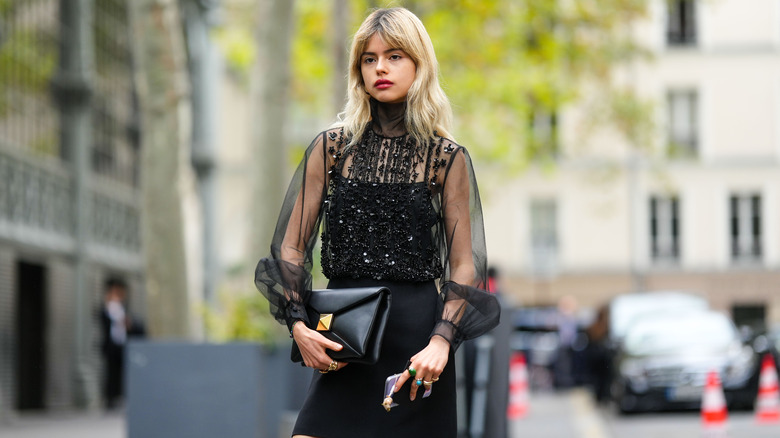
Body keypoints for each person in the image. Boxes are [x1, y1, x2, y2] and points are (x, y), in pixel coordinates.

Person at [254, 7, 500, 438]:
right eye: (369, 59)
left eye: (394, 56)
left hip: (417, 346)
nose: (380, 68)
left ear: (419, 65)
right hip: (344, 339)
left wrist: (442, 341)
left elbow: (465, 264)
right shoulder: (331, 149)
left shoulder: (446, 158)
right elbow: (291, 247)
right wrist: (297, 324)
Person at [99, 278, 129, 410]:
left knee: (121, 373)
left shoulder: (124, 308)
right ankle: (109, 398)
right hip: (111, 347)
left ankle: (120, 397)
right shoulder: (107, 308)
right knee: (110, 373)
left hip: (122, 345)